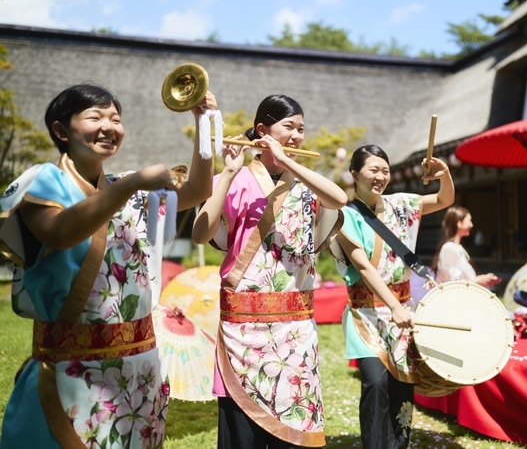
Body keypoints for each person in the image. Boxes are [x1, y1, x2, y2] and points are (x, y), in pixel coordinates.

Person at [0, 83, 215, 448]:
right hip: (74, 371)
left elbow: (197, 189)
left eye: (115, 118)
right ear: (60, 130)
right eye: (95, 116)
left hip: (140, 369)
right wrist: (131, 185)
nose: (109, 126)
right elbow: (60, 232)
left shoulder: (124, 187)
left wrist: (205, 125)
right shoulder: (42, 180)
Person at [191, 94, 347, 449]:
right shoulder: (233, 178)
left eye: (301, 129)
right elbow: (201, 234)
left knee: (295, 419)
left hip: (294, 328)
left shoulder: (307, 182)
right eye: (288, 126)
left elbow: (340, 200)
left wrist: (290, 166)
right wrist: (228, 171)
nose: (296, 135)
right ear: (263, 130)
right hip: (242, 328)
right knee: (240, 430)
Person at [332, 144, 454, 449]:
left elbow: (444, 198)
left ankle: (399, 445)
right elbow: (363, 266)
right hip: (367, 313)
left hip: (402, 312)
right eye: (373, 170)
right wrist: (393, 307)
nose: (380, 176)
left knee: (401, 386)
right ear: (354, 174)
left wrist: (445, 173)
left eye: (385, 170)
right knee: (375, 383)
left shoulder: (402, 204)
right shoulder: (345, 216)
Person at [432, 206, 500, 287]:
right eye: (469, 221)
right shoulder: (450, 249)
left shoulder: (457, 247)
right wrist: (478, 280)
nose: (471, 225)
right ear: (459, 223)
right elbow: (452, 284)